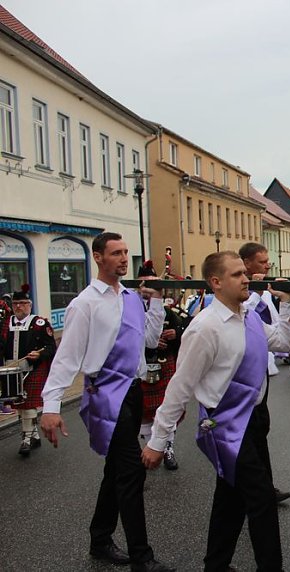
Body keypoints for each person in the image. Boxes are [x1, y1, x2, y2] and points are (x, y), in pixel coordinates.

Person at [142, 251, 290, 571]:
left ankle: (216, 564)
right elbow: (180, 386)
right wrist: (159, 440)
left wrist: (287, 304)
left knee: (231, 498)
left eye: (245, 273)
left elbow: (281, 343)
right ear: (215, 282)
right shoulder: (205, 328)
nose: (246, 278)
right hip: (223, 425)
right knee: (260, 498)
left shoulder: (250, 315)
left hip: (252, 420)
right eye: (237, 274)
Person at [40, 232, 172, 572]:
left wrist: (156, 301)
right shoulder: (84, 304)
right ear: (98, 257)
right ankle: (142, 558)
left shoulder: (130, 297)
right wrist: (51, 406)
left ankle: (99, 540)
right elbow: (66, 358)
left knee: (116, 471)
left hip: (131, 390)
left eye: (126, 252)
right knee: (131, 472)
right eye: (116, 253)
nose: (124, 258)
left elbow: (149, 340)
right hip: (104, 396)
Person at [239, 242, 290, 504]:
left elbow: (275, 327)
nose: (268, 265)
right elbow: (244, 315)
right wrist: (255, 292)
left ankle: (264, 486)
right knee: (246, 433)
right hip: (240, 373)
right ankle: (254, 489)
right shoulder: (249, 293)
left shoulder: (266, 291)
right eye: (262, 261)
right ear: (246, 264)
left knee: (259, 429)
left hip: (261, 367)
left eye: (268, 261)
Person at [138, 273, 187, 472]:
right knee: (143, 411)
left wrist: (177, 334)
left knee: (166, 408)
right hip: (142, 366)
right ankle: (147, 448)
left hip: (165, 362)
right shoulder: (132, 310)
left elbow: (186, 329)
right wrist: (147, 342)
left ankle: (168, 448)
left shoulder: (169, 312)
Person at [1, 285, 56, 456]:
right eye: (16, 303)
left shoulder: (39, 323)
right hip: (11, 370)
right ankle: (34, 434)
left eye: (23, 303)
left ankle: (26, 439)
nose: (19, 306)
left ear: (30, 305)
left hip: (33, 369)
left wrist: (39, 354)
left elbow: (51, 347)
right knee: (19, 404)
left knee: (29, 404)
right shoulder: (5, 324)